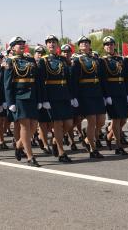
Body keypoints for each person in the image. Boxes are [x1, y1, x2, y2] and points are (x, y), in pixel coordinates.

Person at [4, 36, 41, 167]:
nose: (21, 45)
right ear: (13, 47)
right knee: (25, 126)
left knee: (34, 125)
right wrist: (10, 103)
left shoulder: (30, 60)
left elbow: (37, 81)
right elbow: (7, 85)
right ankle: (30, 157)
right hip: (19, 97)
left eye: (22, 43)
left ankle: (19, 145)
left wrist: (40, 98)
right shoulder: (10, 61)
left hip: (32, 96)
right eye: (18, 44)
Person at [38, 34, 73, 162]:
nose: (51, 44)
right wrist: (44, 99)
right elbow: (41, 82)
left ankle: (55, 140)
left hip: (64, 94)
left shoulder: (63, 59)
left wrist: (72, 95)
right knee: (57, 124)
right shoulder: (43, 60)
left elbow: (68, 78)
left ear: (57, 45)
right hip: (52, 96)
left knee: (69, 123)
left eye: (54, 42)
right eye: (49, 42)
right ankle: (61, 152)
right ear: (46, 46)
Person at [71, 36, 106, 158]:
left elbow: (102, 78)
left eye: (86, 43)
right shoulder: (76, 60)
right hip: (85, 94)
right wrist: (74, 97)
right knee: (92, 121)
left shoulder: (96, 59)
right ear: (79, 47)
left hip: (97, 92)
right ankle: (93, 148)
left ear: (90, 46)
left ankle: (87, 139)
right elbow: (74, 80)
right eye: (82, 43)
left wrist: (105, 95)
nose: (84, 44)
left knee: (101, 121)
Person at [100, 36, 128, 155]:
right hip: (111, 93)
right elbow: (103, 79)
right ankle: (118, 145)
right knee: (116, 120)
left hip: (121, 91)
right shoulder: (102, 61)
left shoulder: (121, 59)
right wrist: (106, 95)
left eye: (111, 44)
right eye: (107, 44)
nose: (109, 46)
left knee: (123, 119)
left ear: (114, 46)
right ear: (104, 47)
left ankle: (109, 136)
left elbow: (126, 77)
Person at [34, 45, 52, 154]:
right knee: (43, 122)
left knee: (51, 123)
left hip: (49, 94)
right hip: (37, 96)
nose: (40, 54)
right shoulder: (31, 65)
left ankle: (41, 138)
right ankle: (45, 144)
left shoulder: (47, 63)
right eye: (37, 53)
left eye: (42, 53)